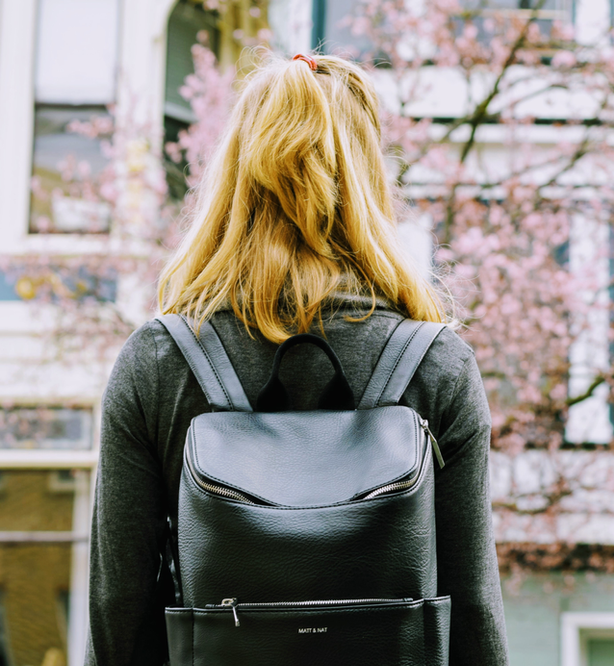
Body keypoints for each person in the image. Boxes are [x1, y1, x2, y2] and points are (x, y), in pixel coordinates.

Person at [85, 52, 509, 666]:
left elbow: (118, 617)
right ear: (368, 181)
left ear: (233, 177)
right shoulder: (436, 365)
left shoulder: (159, 364)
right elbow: (472, 615)